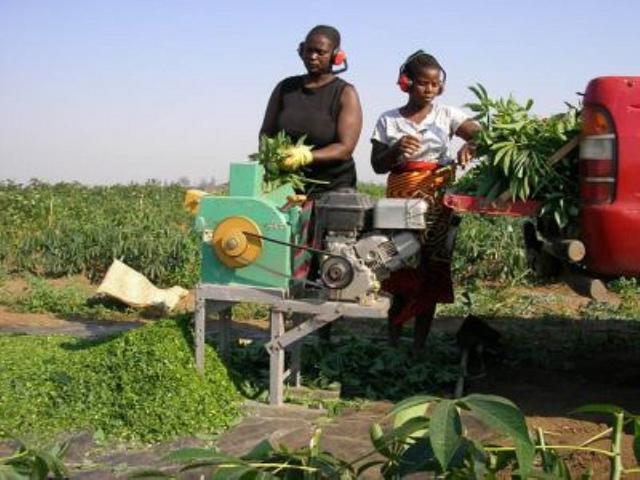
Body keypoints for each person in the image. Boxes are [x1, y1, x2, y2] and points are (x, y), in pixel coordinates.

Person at [370, 50, 480, 355]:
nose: (429, 89)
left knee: (431, 269)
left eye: (435, 84)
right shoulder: (388, 120)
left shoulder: (447, 116)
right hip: (400, 200)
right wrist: (395, 149)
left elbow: (481, 135)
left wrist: (470, 145)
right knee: (398, 264)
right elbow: (378, 164)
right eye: (422, 83)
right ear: (406, 83)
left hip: (436, 201)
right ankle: (393, 340)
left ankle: (419, 345)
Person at [259, 24, 363, 197]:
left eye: (320, 52)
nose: (313, 57)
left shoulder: (345, 93)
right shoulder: (285, 88)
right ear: (301, 51)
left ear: (335, 56)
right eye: (309, 50)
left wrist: (305, 156)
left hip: (332, 190)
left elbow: (345, 148)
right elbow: (266, 133)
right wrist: (273, 158)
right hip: (287, 187)